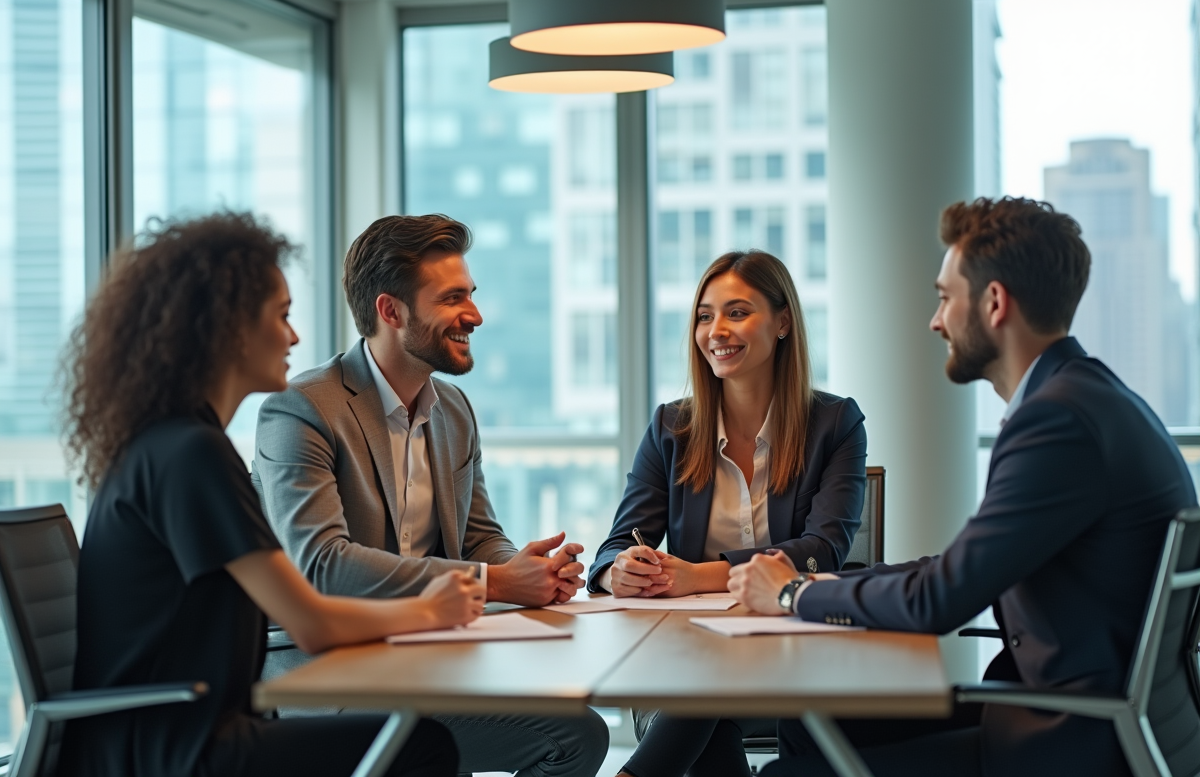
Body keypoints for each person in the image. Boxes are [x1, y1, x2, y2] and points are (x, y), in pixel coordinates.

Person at [729, 197, 1200, 777]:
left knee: (784, 775)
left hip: (1069, 741)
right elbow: (959, 568)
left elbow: (939, 599)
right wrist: (824, 584)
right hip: (1086, 716)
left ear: (994, 303)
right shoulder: (1085, 398)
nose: (936, 321)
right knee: (808, 720)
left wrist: (792, 595)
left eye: (945, 298)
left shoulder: (1057, 421)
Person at [57, 213, 481, 777]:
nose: (294, 337)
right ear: (229, 328)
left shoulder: (172, 444)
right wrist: (433, 607)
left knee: (414, 739)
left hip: (172, 735)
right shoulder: (191, 455)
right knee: (420, 745)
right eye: (281, 316)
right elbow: (310, 622)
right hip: (172, 752)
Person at [252, 213, 608, 777]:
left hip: (428, 655)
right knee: (572, 736)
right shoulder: (302, 409)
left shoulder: (454, 411)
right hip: (326, 674)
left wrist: (530, 571)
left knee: (571, 712)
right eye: (452, 298)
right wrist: (496, 582)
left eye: (471, 294)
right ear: (391, 311)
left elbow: (479, 538)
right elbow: (323, 565)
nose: (475, 314)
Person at [587, 250, 868, 777]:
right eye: (704, 316)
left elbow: (823, 550)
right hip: (686, 657)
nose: (716, 330)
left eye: (737, 312)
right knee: (705, 696)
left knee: (704, 693)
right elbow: (617, 545)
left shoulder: (835, 424)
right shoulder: (671, 429)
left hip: (791, 648)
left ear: (783, 322)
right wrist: (617, 572)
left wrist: (698, 577)